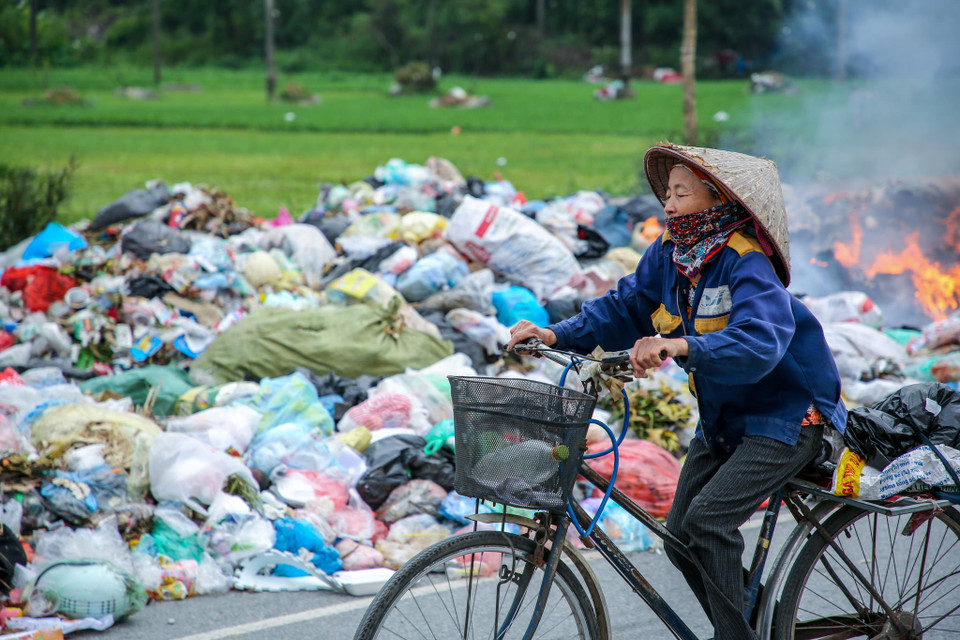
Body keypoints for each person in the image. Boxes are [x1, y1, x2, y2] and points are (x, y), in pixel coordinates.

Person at [507, 143, 847, 640]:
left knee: (708, 524)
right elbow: (625, 305)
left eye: (681, 193)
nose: (667, 203)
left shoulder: (745, 260)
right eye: (667, 192)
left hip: (788, 417)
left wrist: (680, 345)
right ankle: (748, 627)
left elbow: (760, 342)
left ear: (718, 199)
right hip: (725, 418)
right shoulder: (670, 252)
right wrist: (555, 334)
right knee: (680, 537)